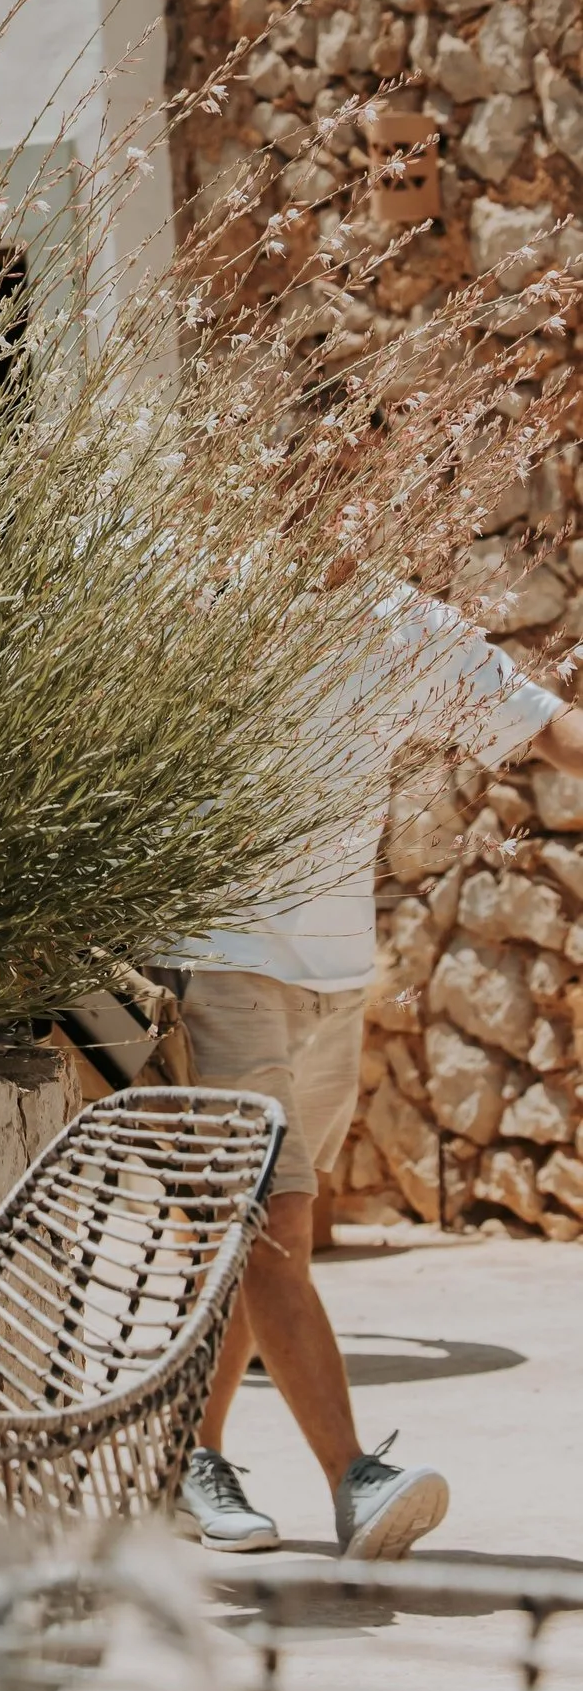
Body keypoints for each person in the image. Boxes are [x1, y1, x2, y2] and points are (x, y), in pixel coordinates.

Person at [176, 573, 583, 1560]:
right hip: (218, 959)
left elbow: (542, 727)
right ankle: (355, 1476)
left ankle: (185, 1455)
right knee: (271, 1219)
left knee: (257, 1233)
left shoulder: (400, 623)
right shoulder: (189, 591)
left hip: (333, 975)